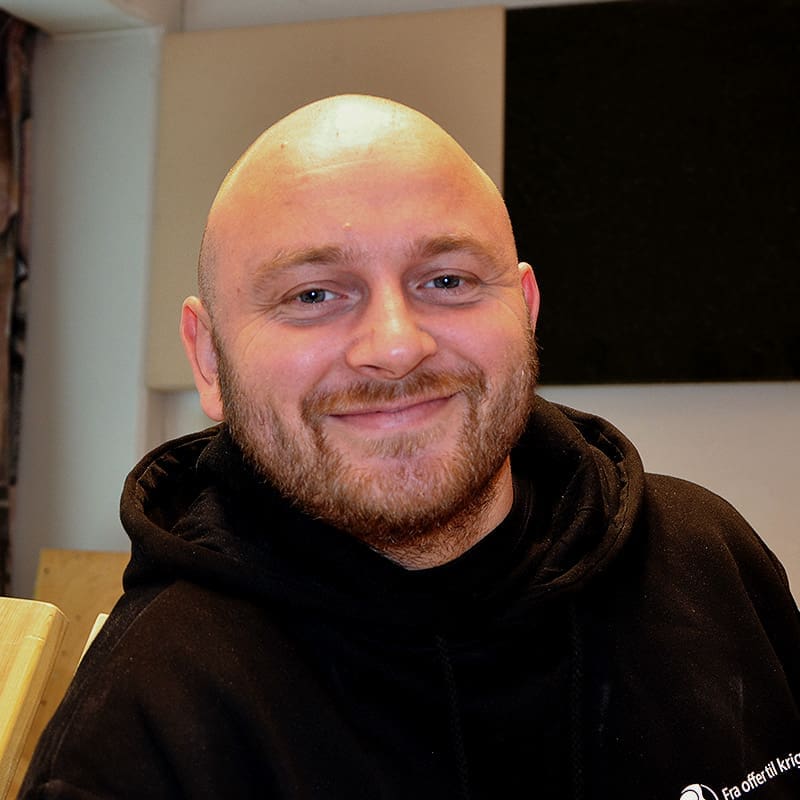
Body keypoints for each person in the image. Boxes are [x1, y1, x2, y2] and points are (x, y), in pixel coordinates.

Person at [22, 95, 800, 799]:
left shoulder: (706, 558)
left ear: (526, 311)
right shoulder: (143, 725)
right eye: (313, 294)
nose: (396, 347)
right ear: (208, 359)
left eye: (448, 280)